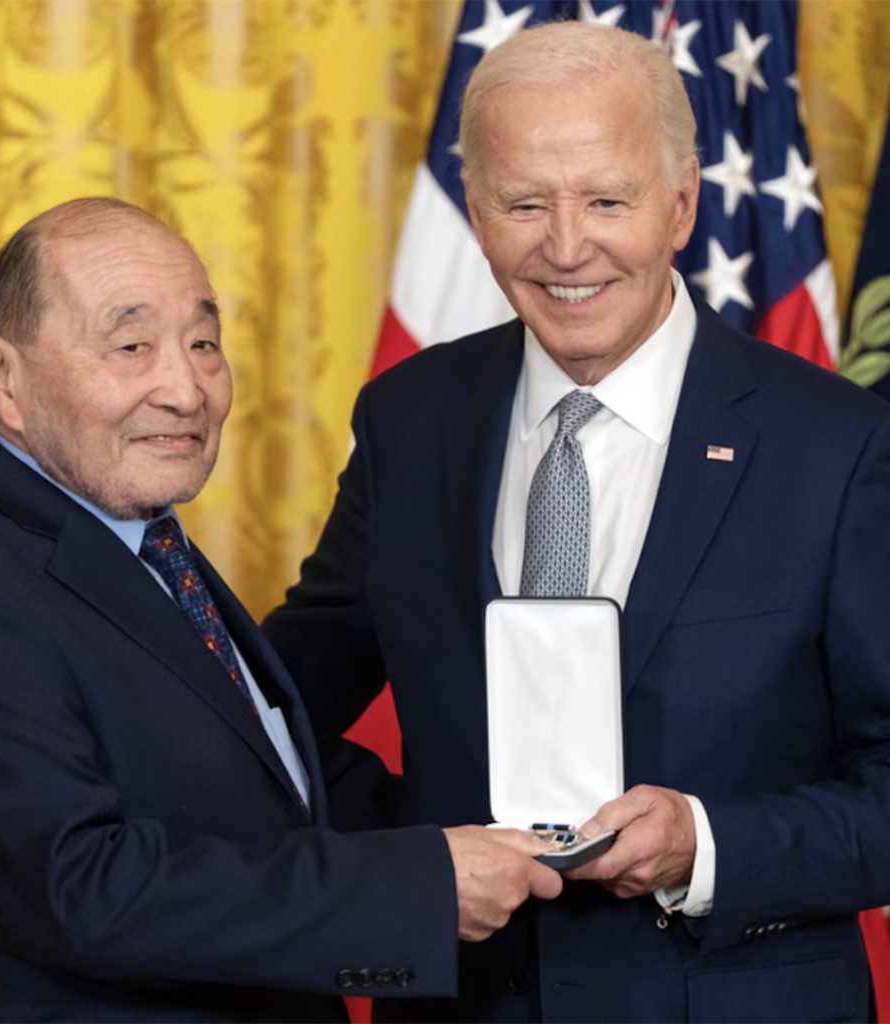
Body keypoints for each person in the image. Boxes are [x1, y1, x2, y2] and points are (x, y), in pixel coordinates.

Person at [263, 21, 890, 1023]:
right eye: (523, 203)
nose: (565, 247)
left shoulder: (840, 446)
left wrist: (705, 842)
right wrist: (410, 849)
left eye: (606, 199)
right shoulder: (408, 417)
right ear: (473, 214)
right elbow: (278, 707)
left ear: (681, 202)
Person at [0, 197, 563, 1023]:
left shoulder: (130, 529)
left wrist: (529, 831)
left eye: (203, 343)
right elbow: (83, 889)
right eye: (130, 346)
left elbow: (258, 777)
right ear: (2, 377)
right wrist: (422, 888)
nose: (186, 388)